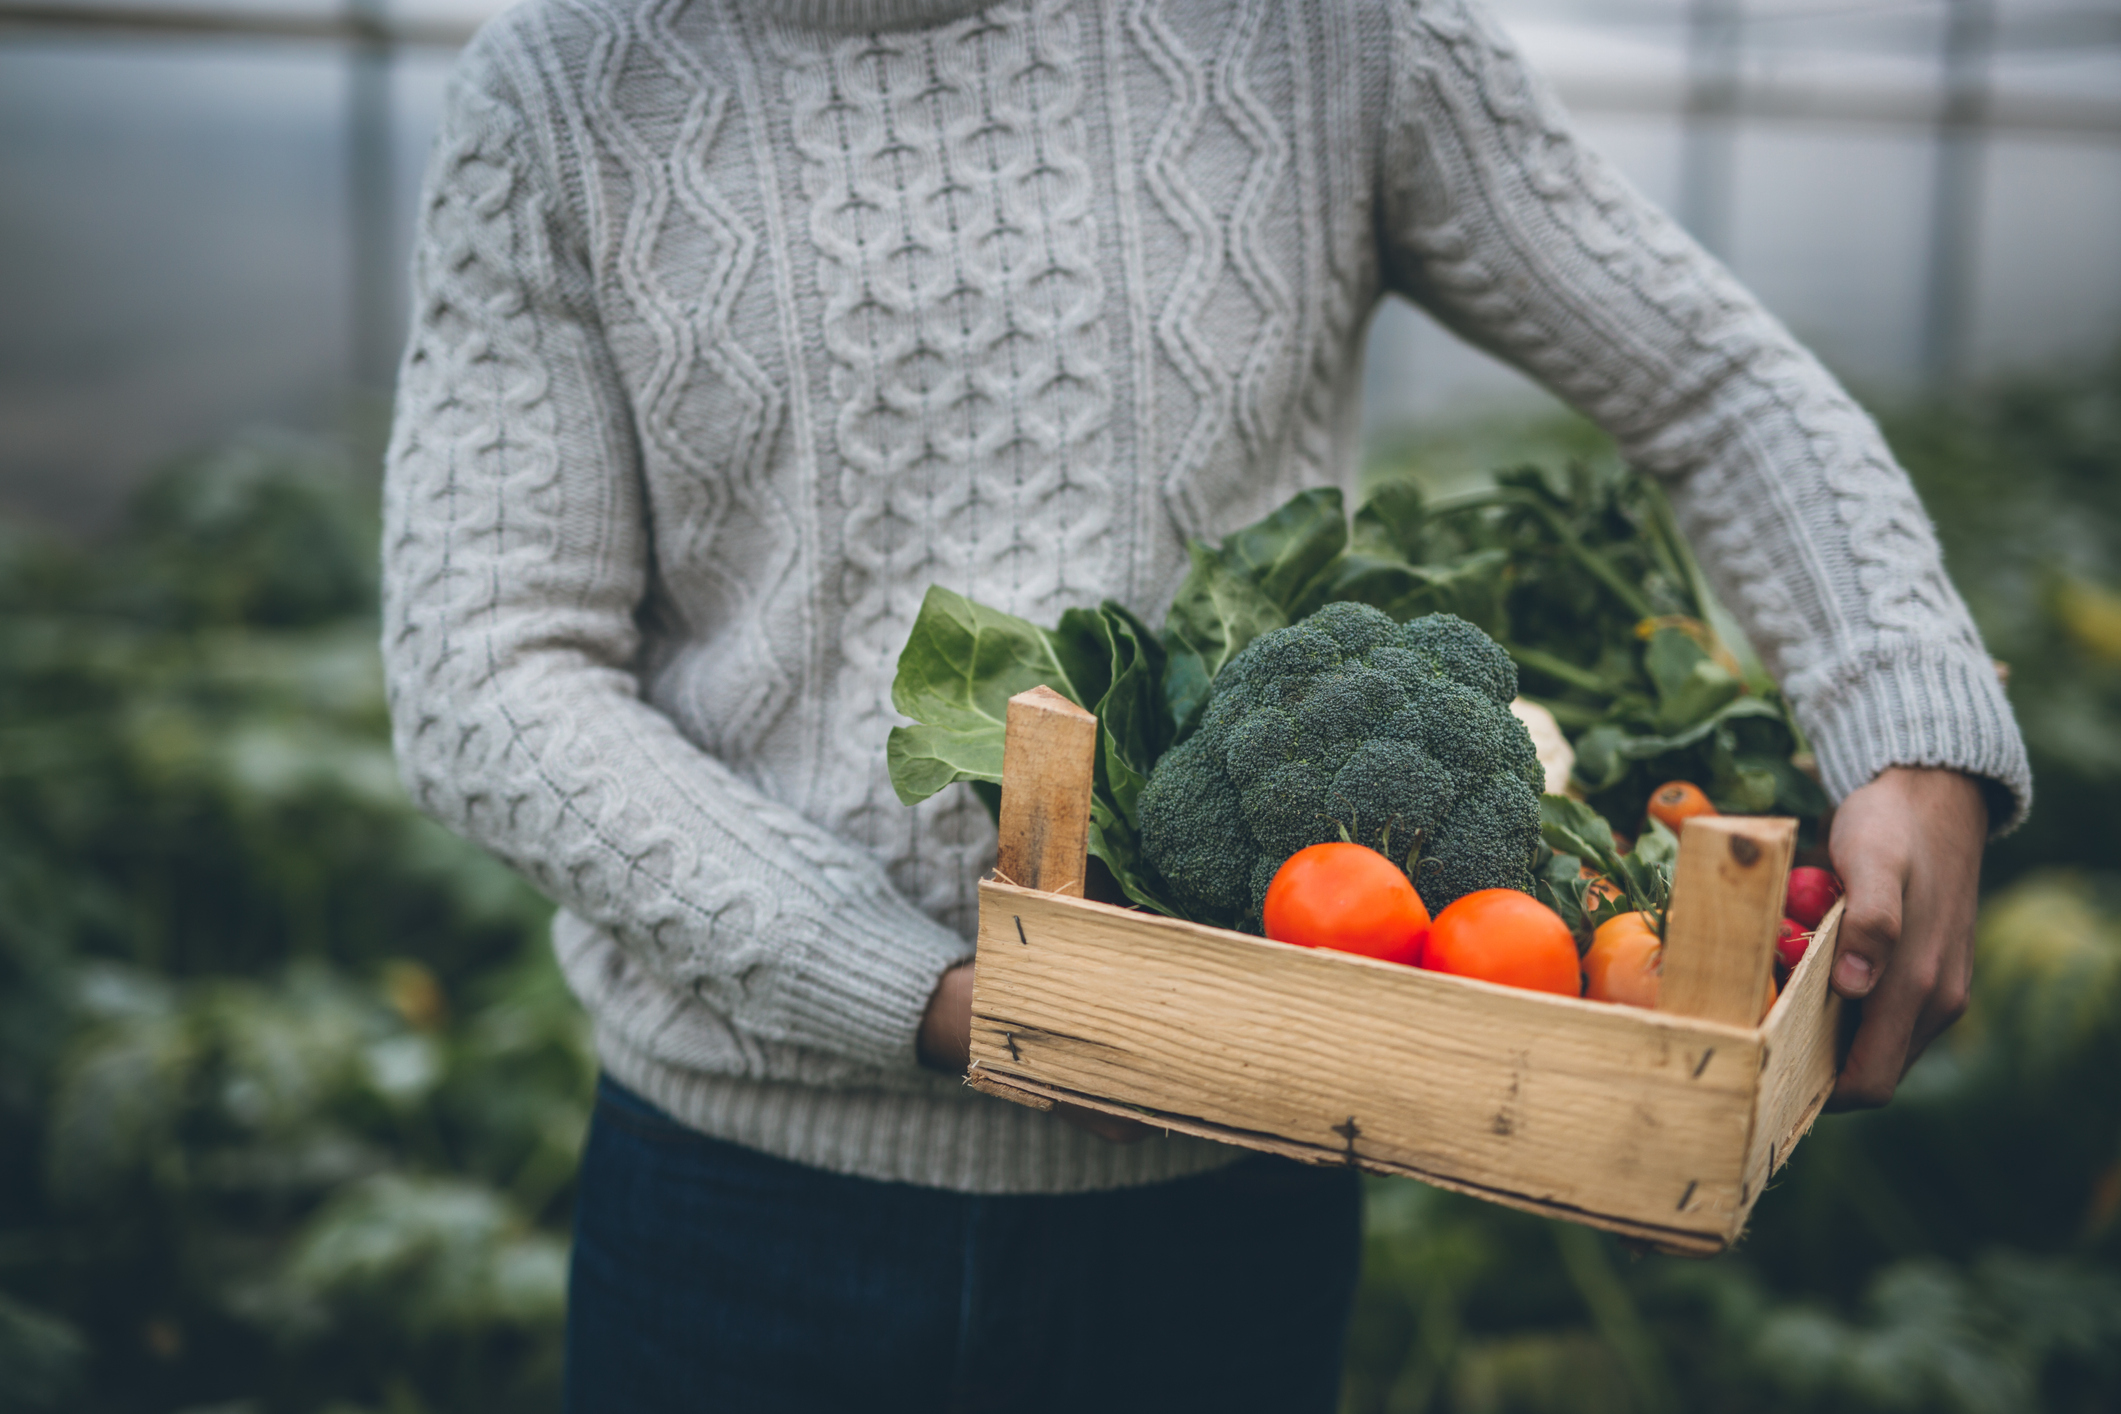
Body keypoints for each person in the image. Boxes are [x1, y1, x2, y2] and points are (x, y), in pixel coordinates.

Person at [379, 0, 2029, 1405]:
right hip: (733, 1214)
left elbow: (1705, 376)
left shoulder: (1317, 32)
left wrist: (1908, 707)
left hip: (1223, 1197)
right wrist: (927, 992)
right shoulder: (569, 92)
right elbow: (486, 666)